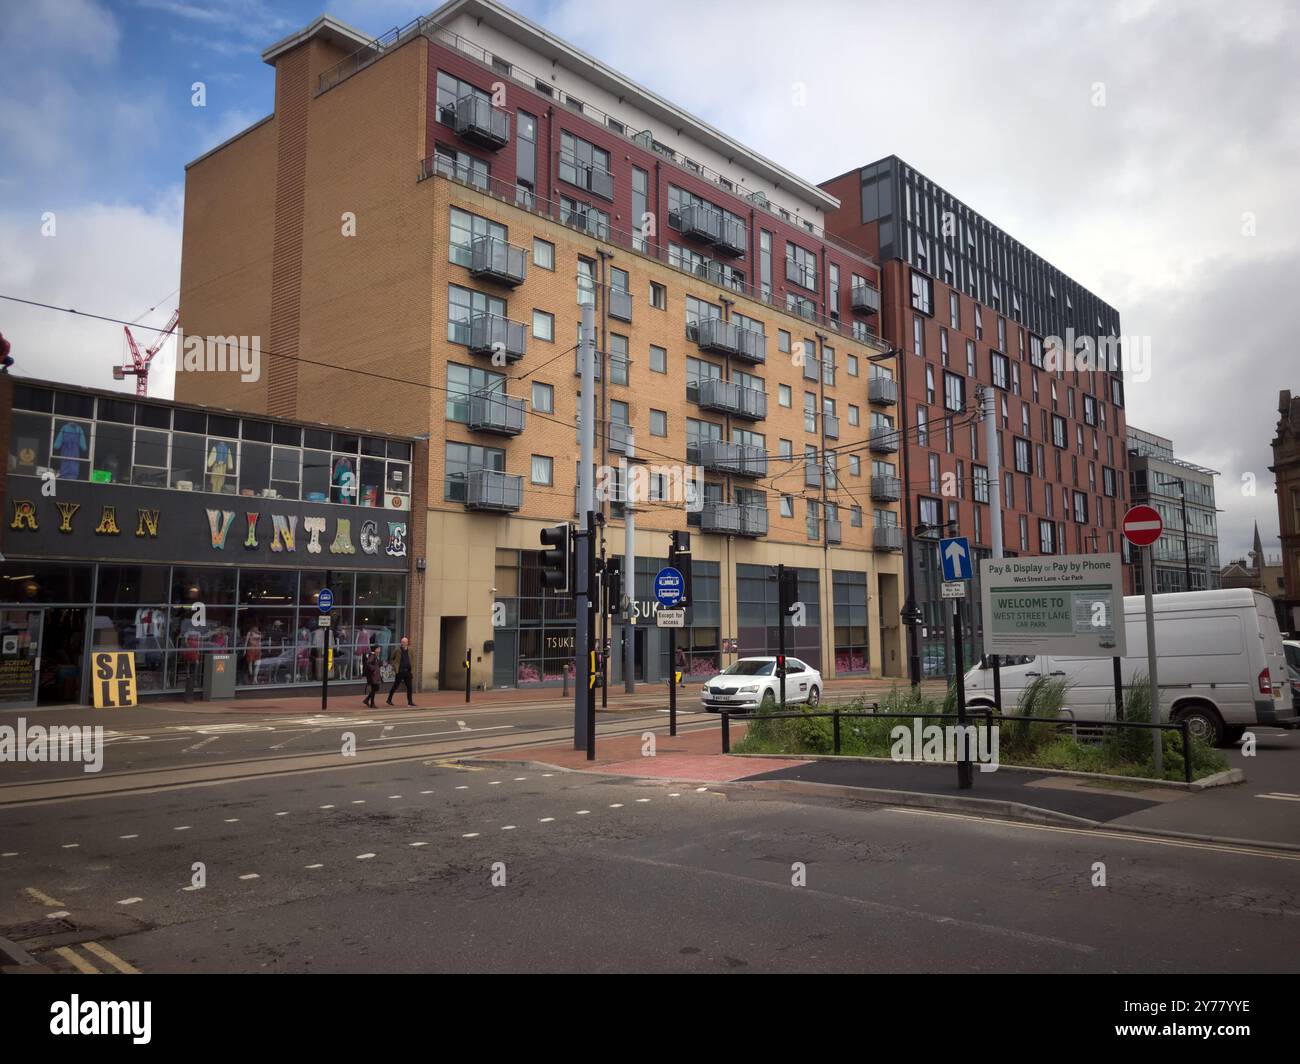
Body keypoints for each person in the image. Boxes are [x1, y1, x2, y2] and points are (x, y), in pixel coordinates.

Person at [386, 636, 416, 707]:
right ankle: (389, 699)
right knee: (395, 686)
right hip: (400, 671)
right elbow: (391, 659)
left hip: (408, 672)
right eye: (402, 642)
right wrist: (395, 665)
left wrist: (412, 668)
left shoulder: (410, 650)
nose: (402, 643)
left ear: (407, 643)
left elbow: (412, 659)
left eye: (404, 642)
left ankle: (410, 702)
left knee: (409, 687)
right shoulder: (397, 650)